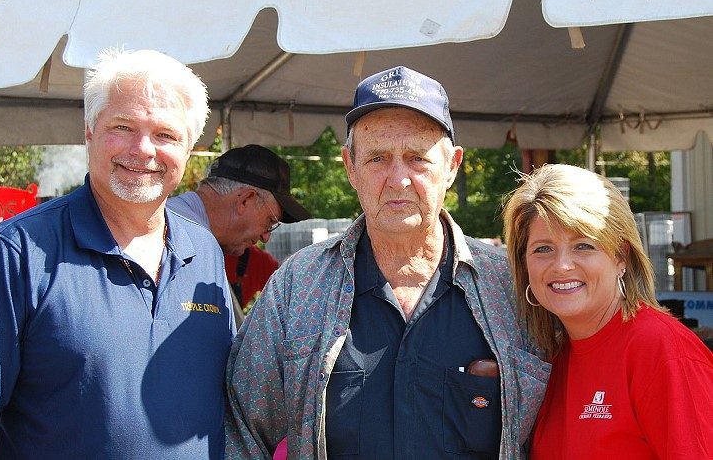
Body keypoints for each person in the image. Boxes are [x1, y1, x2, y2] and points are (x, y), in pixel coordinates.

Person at [225, 66, 550, 459]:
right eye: (378, 158)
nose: (398, 179)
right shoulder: (298, 286)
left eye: (417, 158)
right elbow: (242, 431)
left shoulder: (512, 288)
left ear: (452, 167)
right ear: (350, 168)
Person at [0, 48, 236, 458]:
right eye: (123, 126)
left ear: (189, 150)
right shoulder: (14, 254)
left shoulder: (203, 251)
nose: (143, 149)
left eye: (166, 135)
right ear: (90, 132)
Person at [502, 163, 713, 459]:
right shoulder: (551, 359)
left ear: (620, 257)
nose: (562, 265)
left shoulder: (662, 350)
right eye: (543, 249)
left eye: (583, 246)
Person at [168, 144, 310, 318]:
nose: (266, 237)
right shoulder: (174, 234)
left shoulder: (191, 231)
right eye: (270, 221)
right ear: (245, 200)